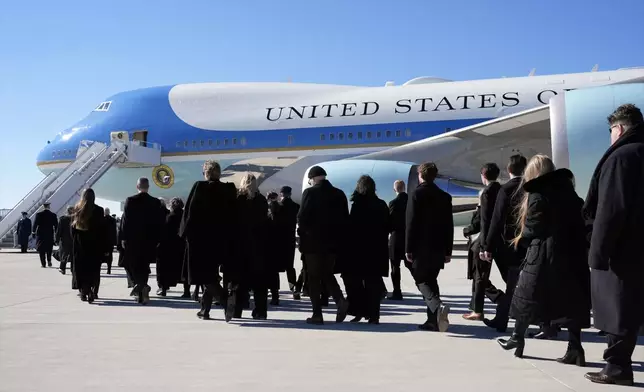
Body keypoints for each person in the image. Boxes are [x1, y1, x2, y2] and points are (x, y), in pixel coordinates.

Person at [495, 155, 590, 367]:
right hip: (571, 254)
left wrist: (522, 241)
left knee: (526, 296)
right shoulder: (570, 193)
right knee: (572, 300)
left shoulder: (538, 194)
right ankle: (575, 348)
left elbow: (533, 228)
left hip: (543, 254)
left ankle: (516, 338)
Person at [583, 104, 644, 386]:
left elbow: (611, 210)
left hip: (623, 250)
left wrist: (597, 252)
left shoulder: (622, 157)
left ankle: (617, 368)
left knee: (618, 308)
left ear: (618, 129)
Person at [180, 160, 237, 321]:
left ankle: (225, 299)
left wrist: (184, 234)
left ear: (206, 172)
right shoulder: (228, 189)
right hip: (222, 242)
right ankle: (205, 310)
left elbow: (189, 213)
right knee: (210, 274)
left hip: (201, 241)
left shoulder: (200, 187)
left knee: (204, 277)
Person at [297, 165, 350, 325]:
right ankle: (340, 300)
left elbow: (302, 218)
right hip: (333, 245)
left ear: (312, 179)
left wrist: (303, 234)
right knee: (327, 274)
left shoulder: (310, 193)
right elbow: (345, 220)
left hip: (313, 245)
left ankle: (317, 314)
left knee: (313, 278)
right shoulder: (339, 194)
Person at [482, 154, 528, 333]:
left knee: (512, 283)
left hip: (509, 245)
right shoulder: (529, 188)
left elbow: (496, 220)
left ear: (508, 170)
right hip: (529, 243)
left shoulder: (506, 189)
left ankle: (502, 319)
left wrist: (488, 246)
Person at [406, 162, 453, 332]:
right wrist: (448, 250)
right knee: (432, 280)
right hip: (439, 247)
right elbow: (449, 226)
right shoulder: (445, 197)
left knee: (421, 280)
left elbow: (410, 223)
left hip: (420, 247)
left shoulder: (416, 194)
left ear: (420, 175)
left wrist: (408, 248)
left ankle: (437, 306)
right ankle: (432, 320)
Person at [344, 175, 390, 324]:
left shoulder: (357, 205)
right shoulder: (381, 204)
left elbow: (352, 228)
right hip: (377, 250)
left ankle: (359, 311)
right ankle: (374, 315)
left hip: (359, 250)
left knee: (357, 283)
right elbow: (387, 226)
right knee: (374, 283)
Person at [463, 163, 502, 320]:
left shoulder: (486, 193)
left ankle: (483, 307)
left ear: (483, 175)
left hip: (486, 240)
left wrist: (484, 245)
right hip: (500, 239)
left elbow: (483, 221)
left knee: (479, 275)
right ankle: (475, 306)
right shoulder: (501, 190)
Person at [120, 177, 166, 304]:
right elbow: (159, 223)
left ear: (137, 187)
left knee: (133, 264)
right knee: (144, 266)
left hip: (133, 240)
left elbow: (126, 222)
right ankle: (143, 289)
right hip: (149, 240)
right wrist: (158, 239)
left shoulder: (130, 201)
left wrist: (123, 237)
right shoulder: (155, 202)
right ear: (148, 187)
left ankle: (140, 286)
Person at [233, 174, 270, 319]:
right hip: (259, 247)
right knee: (260, 283)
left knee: (239, 282)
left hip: (241, 246)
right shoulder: (261, 200)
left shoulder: (238, 199)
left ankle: (237, 310)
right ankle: (261, 311)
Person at [70, 189, 106, 303]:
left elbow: (72, 229)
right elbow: (102, 229)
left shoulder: (77, 209)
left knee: (80, 269)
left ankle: (83, 291)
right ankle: (92, 290)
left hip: (80, 245)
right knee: (93, 269)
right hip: (95, 245)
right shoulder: (99, 210)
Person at [157, 198, 187, 297]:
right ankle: (186, 291)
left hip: (169, 247)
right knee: (183, 269)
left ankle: (164, 289)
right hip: (182, 246)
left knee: (165, 269)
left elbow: (165, 232)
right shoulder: (185, 216)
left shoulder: (170, 217)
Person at [387, 180, 410, 300]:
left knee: (395, 267)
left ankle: (397, 291)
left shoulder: (393, 203)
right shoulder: (410, 202)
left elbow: (390, 222)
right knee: (411, 265)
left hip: (396, 238)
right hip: (408, 237)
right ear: (404, 188)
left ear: (394, 189)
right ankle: (423, 287)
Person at [276, 186, 300, 299]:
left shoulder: (278, 207)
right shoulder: (296, 206)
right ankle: (294, 288)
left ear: (281, 194)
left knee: (274, 267)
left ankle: (275, 292)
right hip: (290, 239)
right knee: (290, 266)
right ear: (290, 194)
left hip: (278, 240)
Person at [32, 202, 58, 268]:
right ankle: (49, 260)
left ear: (43, 207)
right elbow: (56, 226)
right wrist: (56, 234)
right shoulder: (53, 215)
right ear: (49, 207)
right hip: (49, 233)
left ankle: (43, 263)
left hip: (40, 234)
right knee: (49, 248)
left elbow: (35, 224)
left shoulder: (39, 214)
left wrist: (33, 232)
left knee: (41, 249)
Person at [55, 206, 74, 275]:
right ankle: (73, 269)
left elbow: (59, 230)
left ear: (67, 211)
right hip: (73, 240)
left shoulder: (63, 219)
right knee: (73, 255)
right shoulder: (75, 219)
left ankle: (62, 268)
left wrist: (56, 239)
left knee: (64, 254)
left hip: (64, 240)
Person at [103, 208, 117, 275]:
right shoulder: (113, 220)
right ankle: (109, 269)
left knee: (104, 256)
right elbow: (114, 231)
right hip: (109, 241)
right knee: (109, 256)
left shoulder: (101, 219)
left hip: (104, 241)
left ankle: (108, 269)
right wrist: (114, 241)